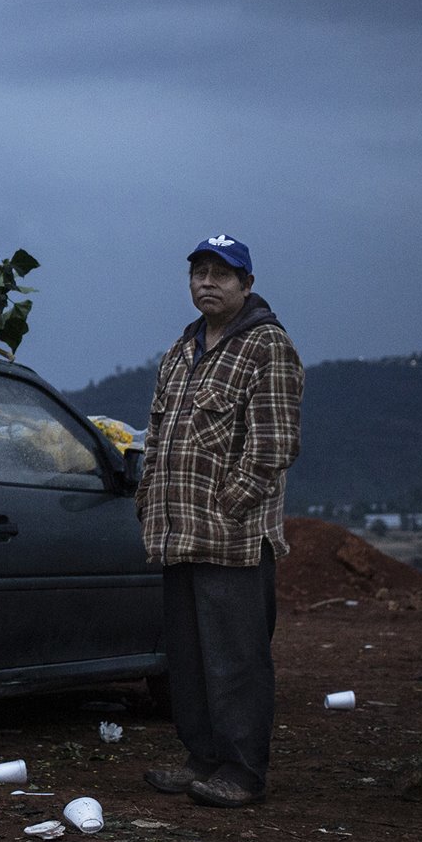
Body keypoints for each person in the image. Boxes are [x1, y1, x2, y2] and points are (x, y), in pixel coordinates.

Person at [134, 232, 304, 808]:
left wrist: (229, 505)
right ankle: (201, 757)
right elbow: (158, 434)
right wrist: (147, 498)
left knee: (236, 660)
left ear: (247, 285)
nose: (207, 282)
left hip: (232, 539)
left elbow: (273, 447)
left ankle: (242, 770)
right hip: (176, 533)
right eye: (198, 273)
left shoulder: (267, 347)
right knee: (188, 659)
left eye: (221, 274)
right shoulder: (182, 351)